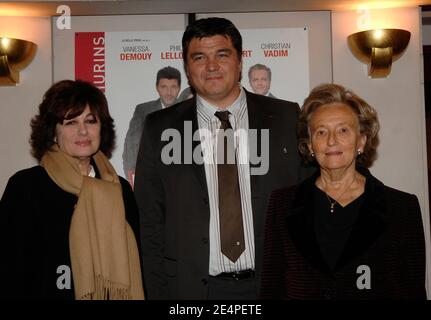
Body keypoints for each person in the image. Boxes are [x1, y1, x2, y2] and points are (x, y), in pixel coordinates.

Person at [134, 17, 308, 299]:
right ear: (187, 68)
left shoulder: (287, 117)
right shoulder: (159, 127)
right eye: (199, 57)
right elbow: (151, 221)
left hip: (274, 285)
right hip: (191, 290)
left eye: (222, 55)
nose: (211, 66)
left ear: (240, 62)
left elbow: (308, 206)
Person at [260, 83, 426, 299]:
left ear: (361, 141)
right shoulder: (282, 204)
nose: (331, 141)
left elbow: (412, 292)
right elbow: (272, 291)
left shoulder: (402, 208)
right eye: (321, 132)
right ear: (310, 144)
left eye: (343, 130)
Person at [0, 80, 144, 300]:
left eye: (90, 120)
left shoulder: (120, 189)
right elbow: (9, 272)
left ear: (101, 128)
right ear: (53, 132)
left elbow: (141, 264)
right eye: (70, 122)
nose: (83, 130)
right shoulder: (26, 188)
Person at [122, 66, 181, 184]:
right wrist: (131, 171)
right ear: (157, 88)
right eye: (164, 87)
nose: (169, 92)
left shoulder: (188, 110)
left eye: (173, 87)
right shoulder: (143, 110)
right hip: (149, 174)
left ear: (179, 88)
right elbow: (131, 142)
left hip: (179, 175)